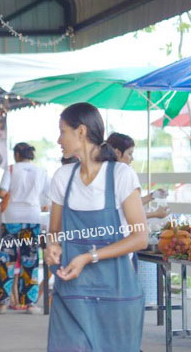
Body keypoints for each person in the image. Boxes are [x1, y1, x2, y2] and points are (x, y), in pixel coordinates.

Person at [45, 102, 147, 351]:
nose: (59, 139)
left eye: (62, 131)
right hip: (72, 294)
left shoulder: (120, 175)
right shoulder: (62, 177)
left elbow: (140, 238)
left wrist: (88, 257)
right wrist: (52, 247)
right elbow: (54, 233)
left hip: (117, 293)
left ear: (80, 131)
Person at [0, 142, 49, 315]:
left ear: (16, 154)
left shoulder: (11, 169)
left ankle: (2, 302)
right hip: (32, 218)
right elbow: (47, 198)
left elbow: (1, 193)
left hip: (11, 218)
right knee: (30, 260)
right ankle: (29, 304)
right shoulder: (41, 172)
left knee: (6, 259)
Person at [106, 132, 170, 221]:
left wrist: (153, 195)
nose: (132, 158)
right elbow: (129, 213)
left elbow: (130, 204)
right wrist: (156, 214)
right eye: (129, 153)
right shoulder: (124, 173)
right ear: (117, 153)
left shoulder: (105, 172)